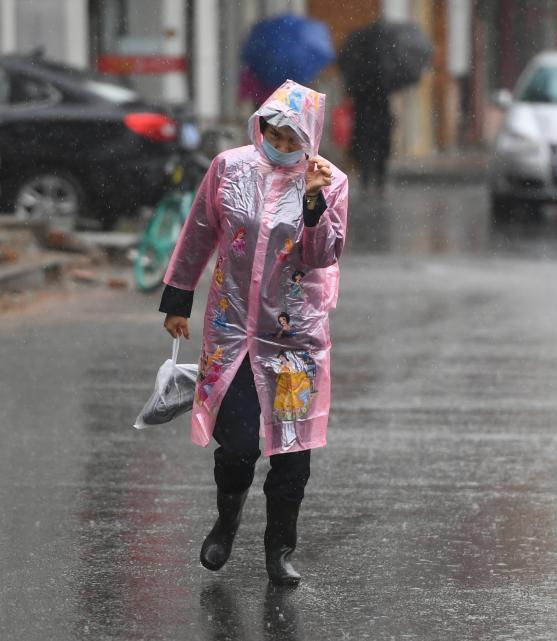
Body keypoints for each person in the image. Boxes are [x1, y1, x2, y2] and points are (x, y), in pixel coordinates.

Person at [158, 80, 348, 585]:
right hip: (233, 330)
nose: (281, 146)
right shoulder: (229, 167)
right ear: (259, 127)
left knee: (291, 453)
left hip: (294, 340)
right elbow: (200, 231)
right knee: (238, 445)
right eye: (273, 134)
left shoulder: (330, 181)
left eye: (292, 139)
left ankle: (279, 549)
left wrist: (313, 201)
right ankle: (227, 519)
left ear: (309, 139)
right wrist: (178, 297)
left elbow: (323, 256)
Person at [349, 81, 393, 194]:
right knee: (379, 153)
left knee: (366, 152)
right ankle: (379, 182)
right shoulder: (384, 82)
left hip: (365, 123)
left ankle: (366, 182)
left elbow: (357, 105)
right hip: (378, 124)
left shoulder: (360, 82)